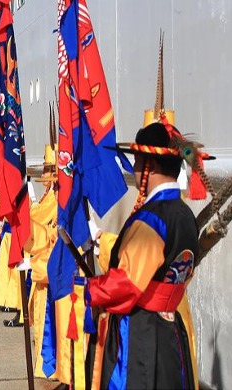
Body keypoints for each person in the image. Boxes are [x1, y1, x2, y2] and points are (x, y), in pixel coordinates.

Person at [87, 122, 203, 389]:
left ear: (149, 165)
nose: (136, 168)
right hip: (171, 329)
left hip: (141, 334)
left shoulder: (151, 220)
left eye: (138, 161)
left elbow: (126, 285)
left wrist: (88, 290)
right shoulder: (185, 215)